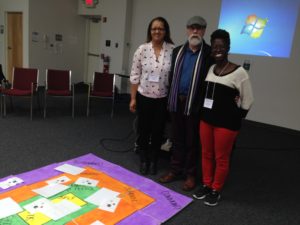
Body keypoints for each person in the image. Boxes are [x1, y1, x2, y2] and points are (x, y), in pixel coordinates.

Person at [192, 29, 254, 206]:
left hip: (226, 126)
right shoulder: (211, 68)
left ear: (228, 48)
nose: (218, 49)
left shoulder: (240, 72)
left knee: (221, 158)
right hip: (206, 121)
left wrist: (236, 117)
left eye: (222, 46)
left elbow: (248, 100)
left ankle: (215, 189)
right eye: (215, 46)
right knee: (206, 154)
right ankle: (206, 184)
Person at [159, 16, 214, 191]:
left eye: (199, 28)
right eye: (192, 27)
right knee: (176, 138)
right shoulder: (178, 52)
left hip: (195, 105)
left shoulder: (209, 54)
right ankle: (175, 170)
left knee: (192, 141)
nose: (195, 31)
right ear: (187, 29)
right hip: (177, 101)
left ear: (204, 30)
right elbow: (170, 77)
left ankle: (190, 174)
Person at [129, 17, 174, 175]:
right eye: (154, 28)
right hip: (144, 97)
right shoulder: (142, 49)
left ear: (165, 31)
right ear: (150, 31)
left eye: (160, 28)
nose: (157, 31)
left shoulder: (172, 51)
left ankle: (154, 160)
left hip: (162, 99)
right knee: (143, 130)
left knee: (158, 131)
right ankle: (143, 159)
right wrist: (133, 98)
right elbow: (135, 75)